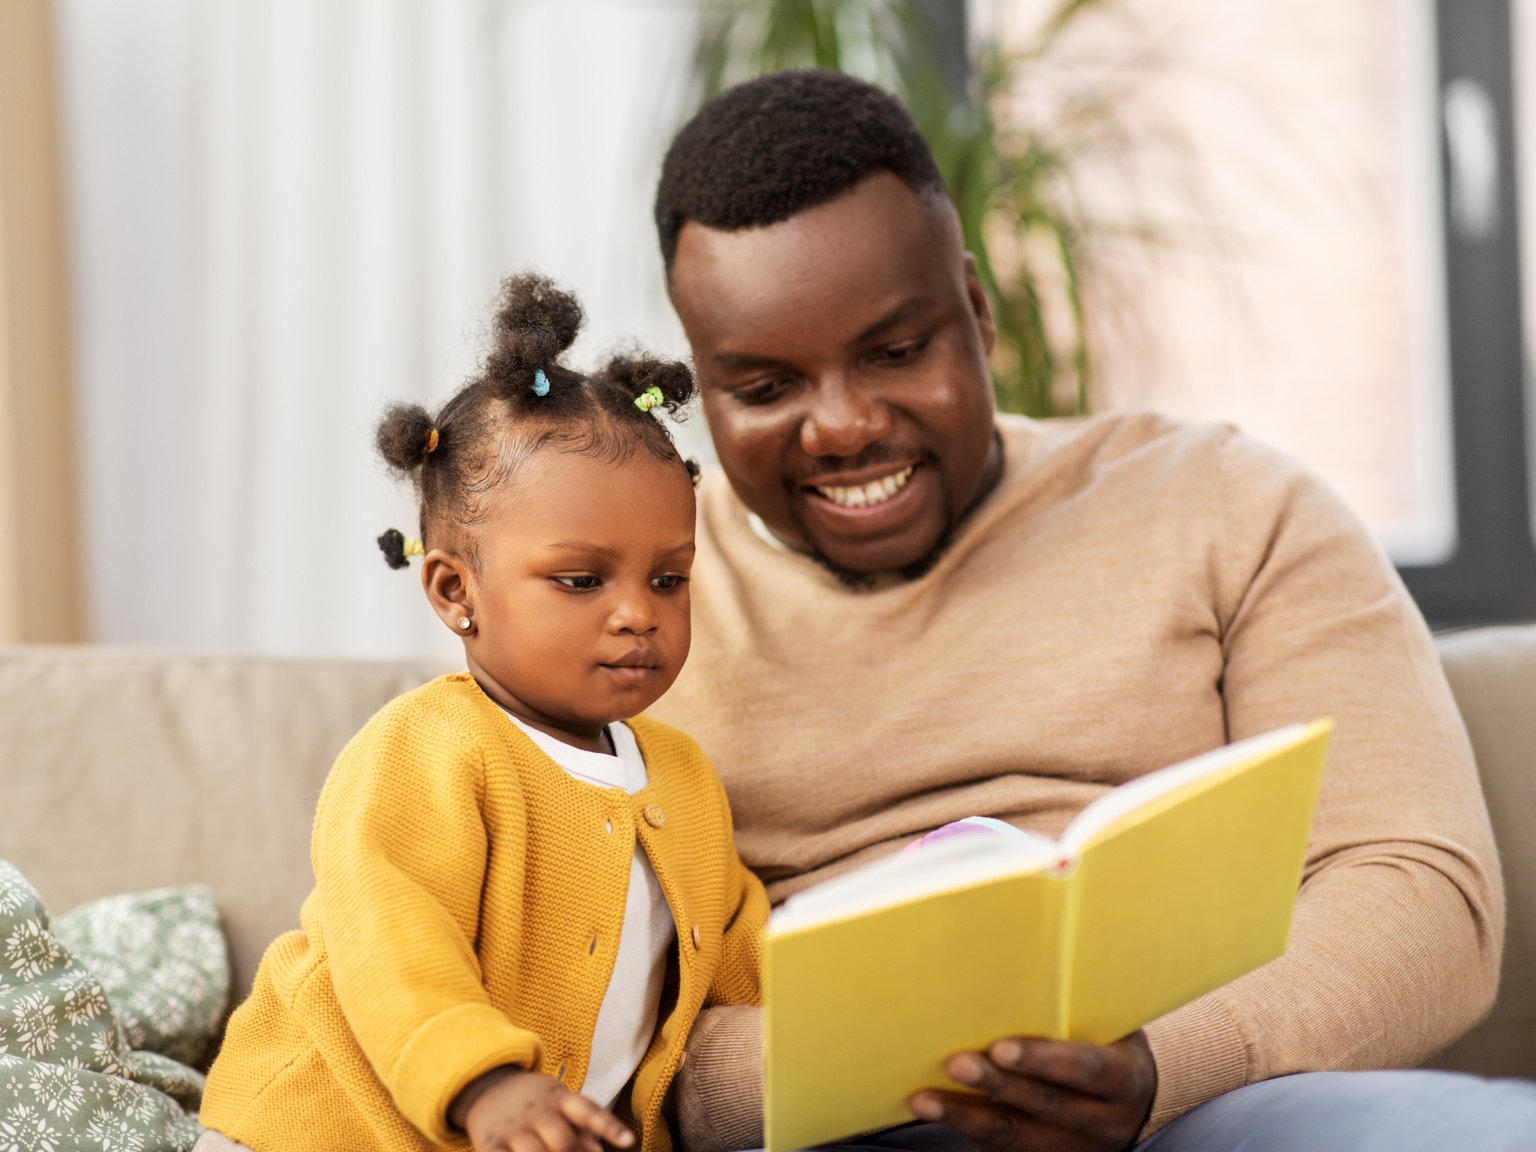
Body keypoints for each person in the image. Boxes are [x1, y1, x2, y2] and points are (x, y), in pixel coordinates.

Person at [647, 70, 1536, 1151]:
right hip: (831, 1131)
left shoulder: (1228, 504)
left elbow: (1421, 889)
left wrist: (1160, 1065)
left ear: (975, 310)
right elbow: (560, 1014)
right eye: (765, 387)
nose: (842, 427)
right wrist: (896, 1064)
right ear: (702, 382)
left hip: (1216, 1099)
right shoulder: (623, 606)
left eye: (895, 352)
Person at [199, 274, 768, 1152]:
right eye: (582, 580)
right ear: (455, 590)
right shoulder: (425, 749)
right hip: (323, 1129)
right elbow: (390, 940)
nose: (638, 613)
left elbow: (738, 966)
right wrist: (485, 1082)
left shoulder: (684, 780)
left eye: (669, 578)